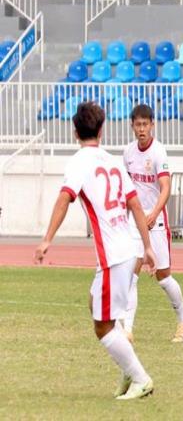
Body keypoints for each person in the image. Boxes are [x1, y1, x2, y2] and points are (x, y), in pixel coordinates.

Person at [34, 102, 157, 400]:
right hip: (128, 250)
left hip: (113, 256)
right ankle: (128, 364)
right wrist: (147, 247)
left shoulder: (79, 162)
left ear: (75, 132)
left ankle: (140, 378)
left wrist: (47, 239)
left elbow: (65, 198)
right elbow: (135, 205)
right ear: (102, 131)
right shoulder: (113, 161)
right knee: (95, 303)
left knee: (102, 328)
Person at [122, 104, 183, 343]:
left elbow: (166, 187)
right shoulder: (128, 153)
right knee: (131, 275)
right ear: (132, 126)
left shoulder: (159, 152)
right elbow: (127, 189)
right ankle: (127, 329)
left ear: (152, 125)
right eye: (137, 125)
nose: (141, 129)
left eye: (145, 124)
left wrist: (154, 213)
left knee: (164, 277)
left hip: (156, 221)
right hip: (135, 222)